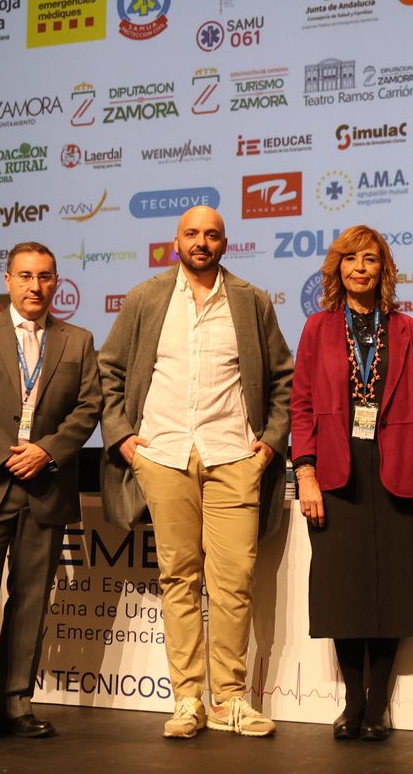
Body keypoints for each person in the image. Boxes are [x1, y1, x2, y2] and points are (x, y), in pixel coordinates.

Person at [98, 205, 293, 739]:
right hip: (163, 455)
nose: (201, 242)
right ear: (176, 240)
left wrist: (269, 446)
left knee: (233, 581)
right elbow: (109, 368)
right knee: (179, 578)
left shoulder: (251, 301)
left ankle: (229, 700)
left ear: (225, 243)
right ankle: (188, 700)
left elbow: (283, 378)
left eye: (211, 235)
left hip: (233, 456)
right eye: (192, 233)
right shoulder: (146, 298)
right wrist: (123, 438)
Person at [0, 241, 101, 752]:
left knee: (31, 601)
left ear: (57, 283)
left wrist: (47, 451)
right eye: (26, 276)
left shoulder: (78, 341)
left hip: (45, 484)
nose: (36, 286)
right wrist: (6, 453)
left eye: (45, 276)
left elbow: (88, 407)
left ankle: (15, 703)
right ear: (8, 280)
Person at [289, 226, 413, 741]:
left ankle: (377, 708)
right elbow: (301, 404)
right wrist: (305, 473)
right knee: (343, 590)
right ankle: (352, 703)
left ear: (382, 269)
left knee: (391, 589)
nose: (360, 268)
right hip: (335, 469)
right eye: (350, 259)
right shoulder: (318, 328)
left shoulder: (407, 329)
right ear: (338, 269)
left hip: (396, 469)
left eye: (370, 259)